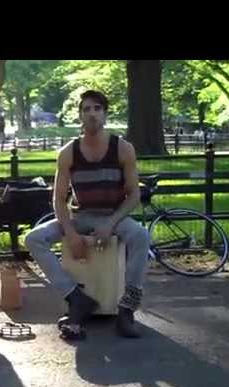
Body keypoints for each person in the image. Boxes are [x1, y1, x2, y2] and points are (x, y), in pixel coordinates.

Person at [25, 90, 150, 340]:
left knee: (140, 236)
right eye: (86, 109)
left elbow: (134, 195)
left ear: (105, 113)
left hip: (114, 216)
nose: (92, 114)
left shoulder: (123, 149)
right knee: (33, 239)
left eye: (97, 109)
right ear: (80, 116)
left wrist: (110, 223)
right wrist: (70, 233)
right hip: (81, 216)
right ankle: (76, 298)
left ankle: (126, 309)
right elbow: (59, 199)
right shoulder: (68, 152)